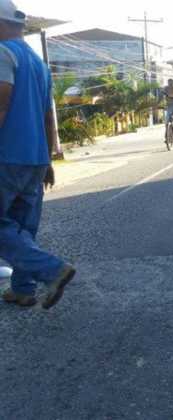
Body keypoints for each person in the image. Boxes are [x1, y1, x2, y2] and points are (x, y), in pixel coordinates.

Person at [0, 0, 76, 309]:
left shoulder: (3, 54)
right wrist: (49, 159)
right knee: (22, 227)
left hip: (6, 156)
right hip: (34, 158)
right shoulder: (38, 63)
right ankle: (22, 289)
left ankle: (52, 270)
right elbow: (48, 116)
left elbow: (1, 107)